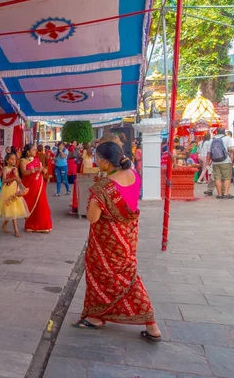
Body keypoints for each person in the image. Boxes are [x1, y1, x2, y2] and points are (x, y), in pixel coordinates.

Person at [73, 142, 160, 342]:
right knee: (127, 277)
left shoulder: (104, 187)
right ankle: (97, 316)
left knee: (107, 278)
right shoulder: (134, 175)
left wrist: (93, 198)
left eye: (97, 158)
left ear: (104, 162)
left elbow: (92, 218)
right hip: (128, 237)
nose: (95, 160)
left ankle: (150, 322)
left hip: (107, 242)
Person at [0, 153, 29, 237]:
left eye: (15, 159)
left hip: (15, 190)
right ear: (7, 160)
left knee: (12, 209)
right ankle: (16, 230)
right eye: (11, 159)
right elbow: (4, 180)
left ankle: (4, 226)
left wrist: (22, 187)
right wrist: (13, 178)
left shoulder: (15, 169)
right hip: (7, 190)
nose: (13, 161)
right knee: (11, 209)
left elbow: (18, 180)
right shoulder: (5, 168)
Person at [20, 143, 53, 233]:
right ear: (28, 152)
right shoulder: (23, 161)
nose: (35, 151)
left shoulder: (37, 159)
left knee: (42, 205)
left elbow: (42, 169)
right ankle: (30, 226)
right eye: (33, 150)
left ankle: (43, 226)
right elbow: (24, 173)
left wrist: (44, 170)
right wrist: (34, 170)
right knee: (30, 205)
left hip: (39, 186)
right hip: (30, 186)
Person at [208, 128, 234, 199]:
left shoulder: (211, 140)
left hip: (215, 162)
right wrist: (231, 160)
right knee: (227, 177)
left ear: (216, 132)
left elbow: (209, 153)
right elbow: (230, 150)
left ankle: (219, 194)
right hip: (226, 161)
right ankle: (226, 193)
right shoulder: (228, 138)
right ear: (224, 132)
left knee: (217, 178)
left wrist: (208, 162)